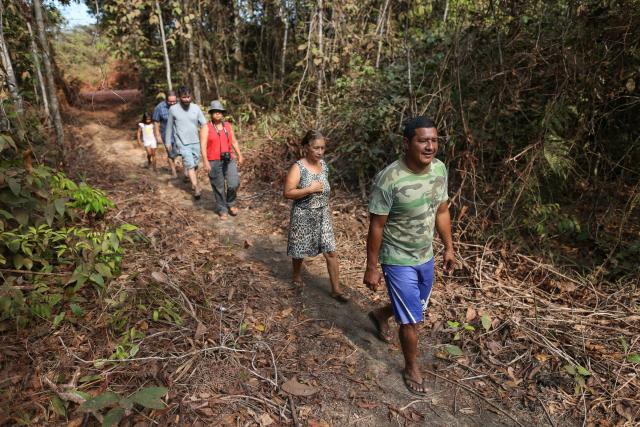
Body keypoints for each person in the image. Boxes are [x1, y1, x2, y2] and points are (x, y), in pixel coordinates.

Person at [363, 116, 455, 396]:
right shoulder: (389, 179)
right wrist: (372, 267)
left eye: (434, 140)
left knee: (416, 306)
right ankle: (411, 367)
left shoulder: (439, 169)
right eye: (423, 140)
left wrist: (449, 247)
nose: (430, 146)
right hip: (397, 257)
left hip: (425, 255)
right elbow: (376, 226)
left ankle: (380, 313)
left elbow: (441, 210)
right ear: (407, 143)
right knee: (412, 319)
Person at [283, 130, 349, 303]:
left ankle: (336, 290)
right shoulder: (298, 167)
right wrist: (309, 190)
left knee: (331, 251)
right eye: (316, 148)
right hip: (303, 214)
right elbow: (288, 193)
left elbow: (325, 188)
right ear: (306, 147)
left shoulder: (324, 165)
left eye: (323, 148)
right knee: (299, 249)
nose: (320, 152)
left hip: (322, 214)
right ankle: (296, 275)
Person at [200, 100, 245, 219]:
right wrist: (205, 161)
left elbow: (234, 141)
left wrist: (239, 154)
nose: (218, 114)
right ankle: (222, 208)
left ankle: (231, 203)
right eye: (215, 112)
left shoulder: (228, 126)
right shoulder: (206, 127)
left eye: (220, 112)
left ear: (223, 113)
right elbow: (203, 145)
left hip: (228, 159)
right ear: (211, 113)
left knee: (233, 183)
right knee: (218, 186)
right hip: (213, 161)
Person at [166, 86, 207, 199]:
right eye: (184, 97)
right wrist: (168, 142)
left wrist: (207, 137)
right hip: (182, 142)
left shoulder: (196, 108)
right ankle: (196, 187)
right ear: (179, 97)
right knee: (189, 164)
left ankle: (191, 179)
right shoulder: (173, 109)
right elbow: (169, 127)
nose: (187, 99)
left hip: (195, 141)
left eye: (188, 97)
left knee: (195, 164)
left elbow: (204, 124)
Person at [152, 90, 179, 177]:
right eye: (170, 101)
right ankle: (174, 171)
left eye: (174, 101)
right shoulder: (159, 107)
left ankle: (183, 170)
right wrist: (157, 135)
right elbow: (156, 122)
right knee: (170, 153)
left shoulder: (180, 105)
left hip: (179, 133)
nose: (172, 103)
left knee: (181, 152)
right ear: (166, 100)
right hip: (166, 134)